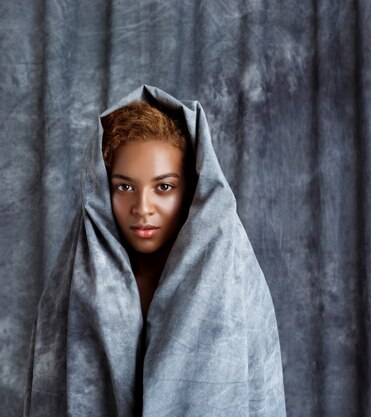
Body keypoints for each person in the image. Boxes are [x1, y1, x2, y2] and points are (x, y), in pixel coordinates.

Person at [24, 85, 286, 417]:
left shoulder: (235, 283)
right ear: (103, 192)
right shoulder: (75, 285)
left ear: (191, 189)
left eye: (164, 187)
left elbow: (257, 399)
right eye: (124, 187)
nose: (142, 207)